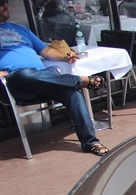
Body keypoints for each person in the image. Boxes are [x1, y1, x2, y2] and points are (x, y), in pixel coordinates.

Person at [0, 0, 109, 156]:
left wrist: (65, 57)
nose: (6, 6)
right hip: (17, 82)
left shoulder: (20, 29)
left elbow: (46, 51)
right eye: (1, 3)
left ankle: (91, 142)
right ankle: (79, 80)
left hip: (44, 78)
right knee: (26, 74)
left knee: (72, 93)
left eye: (6, 2)